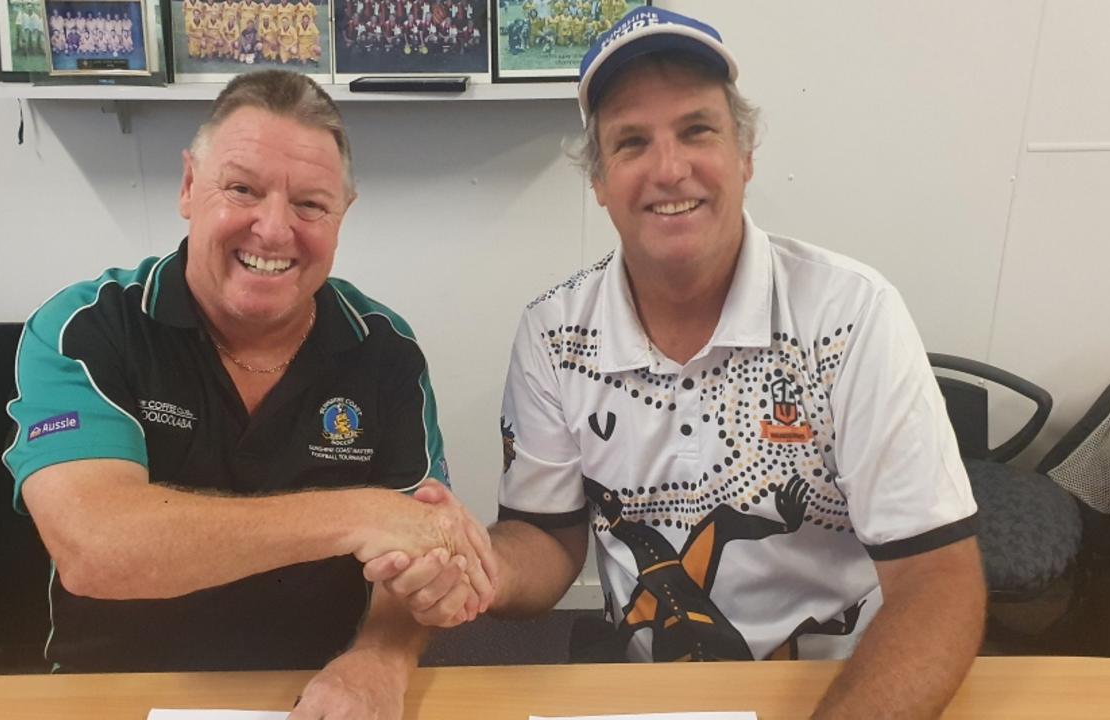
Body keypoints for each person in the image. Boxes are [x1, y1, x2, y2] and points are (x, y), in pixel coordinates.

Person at [369, 7, 986, 718]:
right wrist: (478, 565)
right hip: (653, 693)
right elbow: (547, 539)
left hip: (844, 686)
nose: (669, 168)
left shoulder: (852, 315)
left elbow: (939, 580)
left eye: (697, 130)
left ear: (745, 156)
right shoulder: (554, 333)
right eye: (632, 142)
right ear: (599, 182)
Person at [3, 70, 494, 719]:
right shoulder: (87, 328)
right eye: (242, 189)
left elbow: (411, 561)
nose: (273, 229)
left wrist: (381, 655)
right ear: (188, 186)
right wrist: (360, 515)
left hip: (317, 696)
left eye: (310, 204)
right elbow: (95, 547)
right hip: (114, 692)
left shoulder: (385, 351)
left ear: (342, 216)